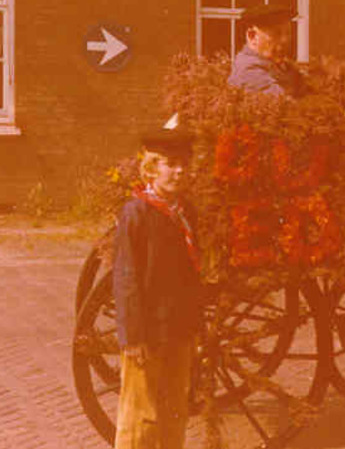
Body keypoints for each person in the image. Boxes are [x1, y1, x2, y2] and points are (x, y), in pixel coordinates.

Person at [113, 127, 203, 449]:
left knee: (174, 409)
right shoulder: (136, 212)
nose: (180, 171)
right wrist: (133, 336)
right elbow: (126, 277)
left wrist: (194, 326)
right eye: (171, 163)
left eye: (185, 164)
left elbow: (190, 275)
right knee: (140, 415)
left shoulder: (185, 212)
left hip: (178, 328)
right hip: (148, 333)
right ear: (152, 167)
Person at [227, 4, 304, 96]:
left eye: (288, 33)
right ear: (252, 36)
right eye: (276, 34)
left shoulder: (276, 64)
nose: (285, 40)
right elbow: (285, 101)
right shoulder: (248, 71)